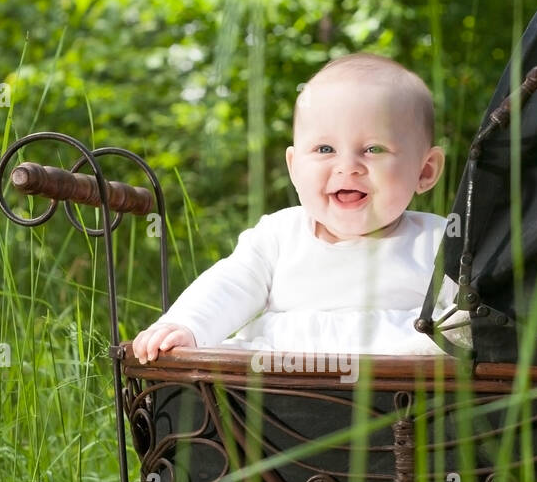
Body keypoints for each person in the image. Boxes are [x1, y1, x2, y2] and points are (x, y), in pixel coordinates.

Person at [131, 52, 468, 363]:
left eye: (373, 149)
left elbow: (475, 313)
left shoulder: (439, 241)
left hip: (395, 393)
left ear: (424, 171)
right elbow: (229, 285)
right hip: (278, 382)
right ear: (294, 167)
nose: (347, 167)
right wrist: (187, 325)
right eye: (324, 148)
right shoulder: (279, 236)